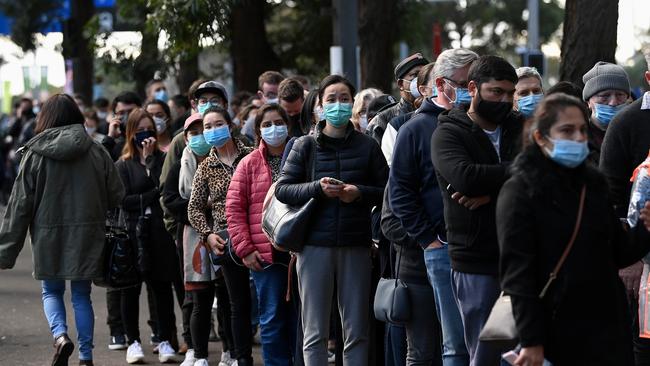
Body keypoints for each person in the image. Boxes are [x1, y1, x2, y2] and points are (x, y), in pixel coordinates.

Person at [497, 93, 650, 365]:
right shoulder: (520, 192)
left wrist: (645, 229)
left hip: (606, 326)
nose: (579, 138)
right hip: (556, 326)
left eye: (582, 129)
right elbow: (518, 275)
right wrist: (532, 341)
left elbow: (617, 252)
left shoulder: (592, 186)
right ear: (540, 138)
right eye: (567, 130)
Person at [0, 93, 125, 366]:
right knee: (82, 295)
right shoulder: (96, 151)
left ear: (45, 118)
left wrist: (5, 251)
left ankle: (60, 337)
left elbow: (19, 206)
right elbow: (117, 194)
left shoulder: (33, 156)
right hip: (88, 234)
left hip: (48, 236)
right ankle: (86, 356)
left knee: (51, 291)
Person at [275, 74, 389, 365]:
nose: (338, 104)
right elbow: (283, 189)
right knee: (314, 331)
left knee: (356, 330)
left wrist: (358, 193)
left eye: (344, 99)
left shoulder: (367, 146)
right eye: (331, 99)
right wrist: (317, 188)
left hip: (356, 245)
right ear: (320, 105)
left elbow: (388, 191)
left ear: (352, 103)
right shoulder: (304, 146)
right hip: (314, 246)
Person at [430, 55, 523, 366]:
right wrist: (515, 177)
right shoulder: (448, 132)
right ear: (473, 88)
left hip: (520, 258)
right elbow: (466, 179)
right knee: (486, 352)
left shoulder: (521, 128)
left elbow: (545, 173)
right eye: (497, 92)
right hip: (476, 261)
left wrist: (491, 194)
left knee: (520, 353)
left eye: (511, 94)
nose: (505, 101)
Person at [391, 48, 478, 366]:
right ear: (442, 84)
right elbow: (400, 194)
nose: (472, 89)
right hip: (439, 249)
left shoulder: (477, 124)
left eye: (475, 82)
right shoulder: (414, 129)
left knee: (481, 343)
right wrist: (429, 239)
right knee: (453, 345)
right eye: (466, 82)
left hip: (480, 247)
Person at [226, 103, 296, 365]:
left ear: (287, 126)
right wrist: (245, 249)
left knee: (301, 318)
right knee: (272, 317)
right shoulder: (249, 164)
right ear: (257, 131)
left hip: (299, 253)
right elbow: (233, 208)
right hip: (265, 256)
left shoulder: (302, 154)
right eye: (266, 124)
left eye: (278, 122)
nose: (273, 128)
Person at [188, 105, 255, 366]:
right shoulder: (206, 167)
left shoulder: (251, 156)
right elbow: (194, 207)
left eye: (218, 124)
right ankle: (243, 358)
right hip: (226, 242)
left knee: (266, 299)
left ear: (230, 125)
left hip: (257, 236)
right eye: (207, 127)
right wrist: (207, 235)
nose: (213, 130)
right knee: (237, 304)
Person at [115, 108, 179, 364]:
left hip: (159, 233)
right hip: (132, 234)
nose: (146, 135)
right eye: (140, 130)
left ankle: (163, 339)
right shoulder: (123, 165)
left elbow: (165, 190)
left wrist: (151, 160)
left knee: (161, 288)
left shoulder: (161, 160)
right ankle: (133, 341)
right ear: (131, 133)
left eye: (150, 129)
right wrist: (150, 195)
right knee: (131, 290)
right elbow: (124, 200)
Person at [600, 49, 650, 366]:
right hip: (645, 263)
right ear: (648, 79)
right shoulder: (627, 122)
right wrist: (629, 258)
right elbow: (610, 195)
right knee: (645, 345)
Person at [366, 53, 428, 144]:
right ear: (400, 84)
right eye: (415, 75)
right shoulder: (381, 121)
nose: (422, 80)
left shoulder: (440, 113)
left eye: (426, 75)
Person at [382, 62, 436, 166]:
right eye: (415, 75)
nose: (420, 79)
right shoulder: (390, 121)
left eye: (424, 74)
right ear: (400, 84)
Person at [582, 61, 631, 164]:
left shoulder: (636, 132)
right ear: (588, 102)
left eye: (619, 95)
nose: (613, 103)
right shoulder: (579, 137)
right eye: (604, 96)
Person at [103, 91, 142, 162]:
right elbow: (101, 164)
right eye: (121, 113)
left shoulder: (149, 137)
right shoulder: (115, 145)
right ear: (115, 116)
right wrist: (110, 137)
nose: (127, 117)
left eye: (131, 111)